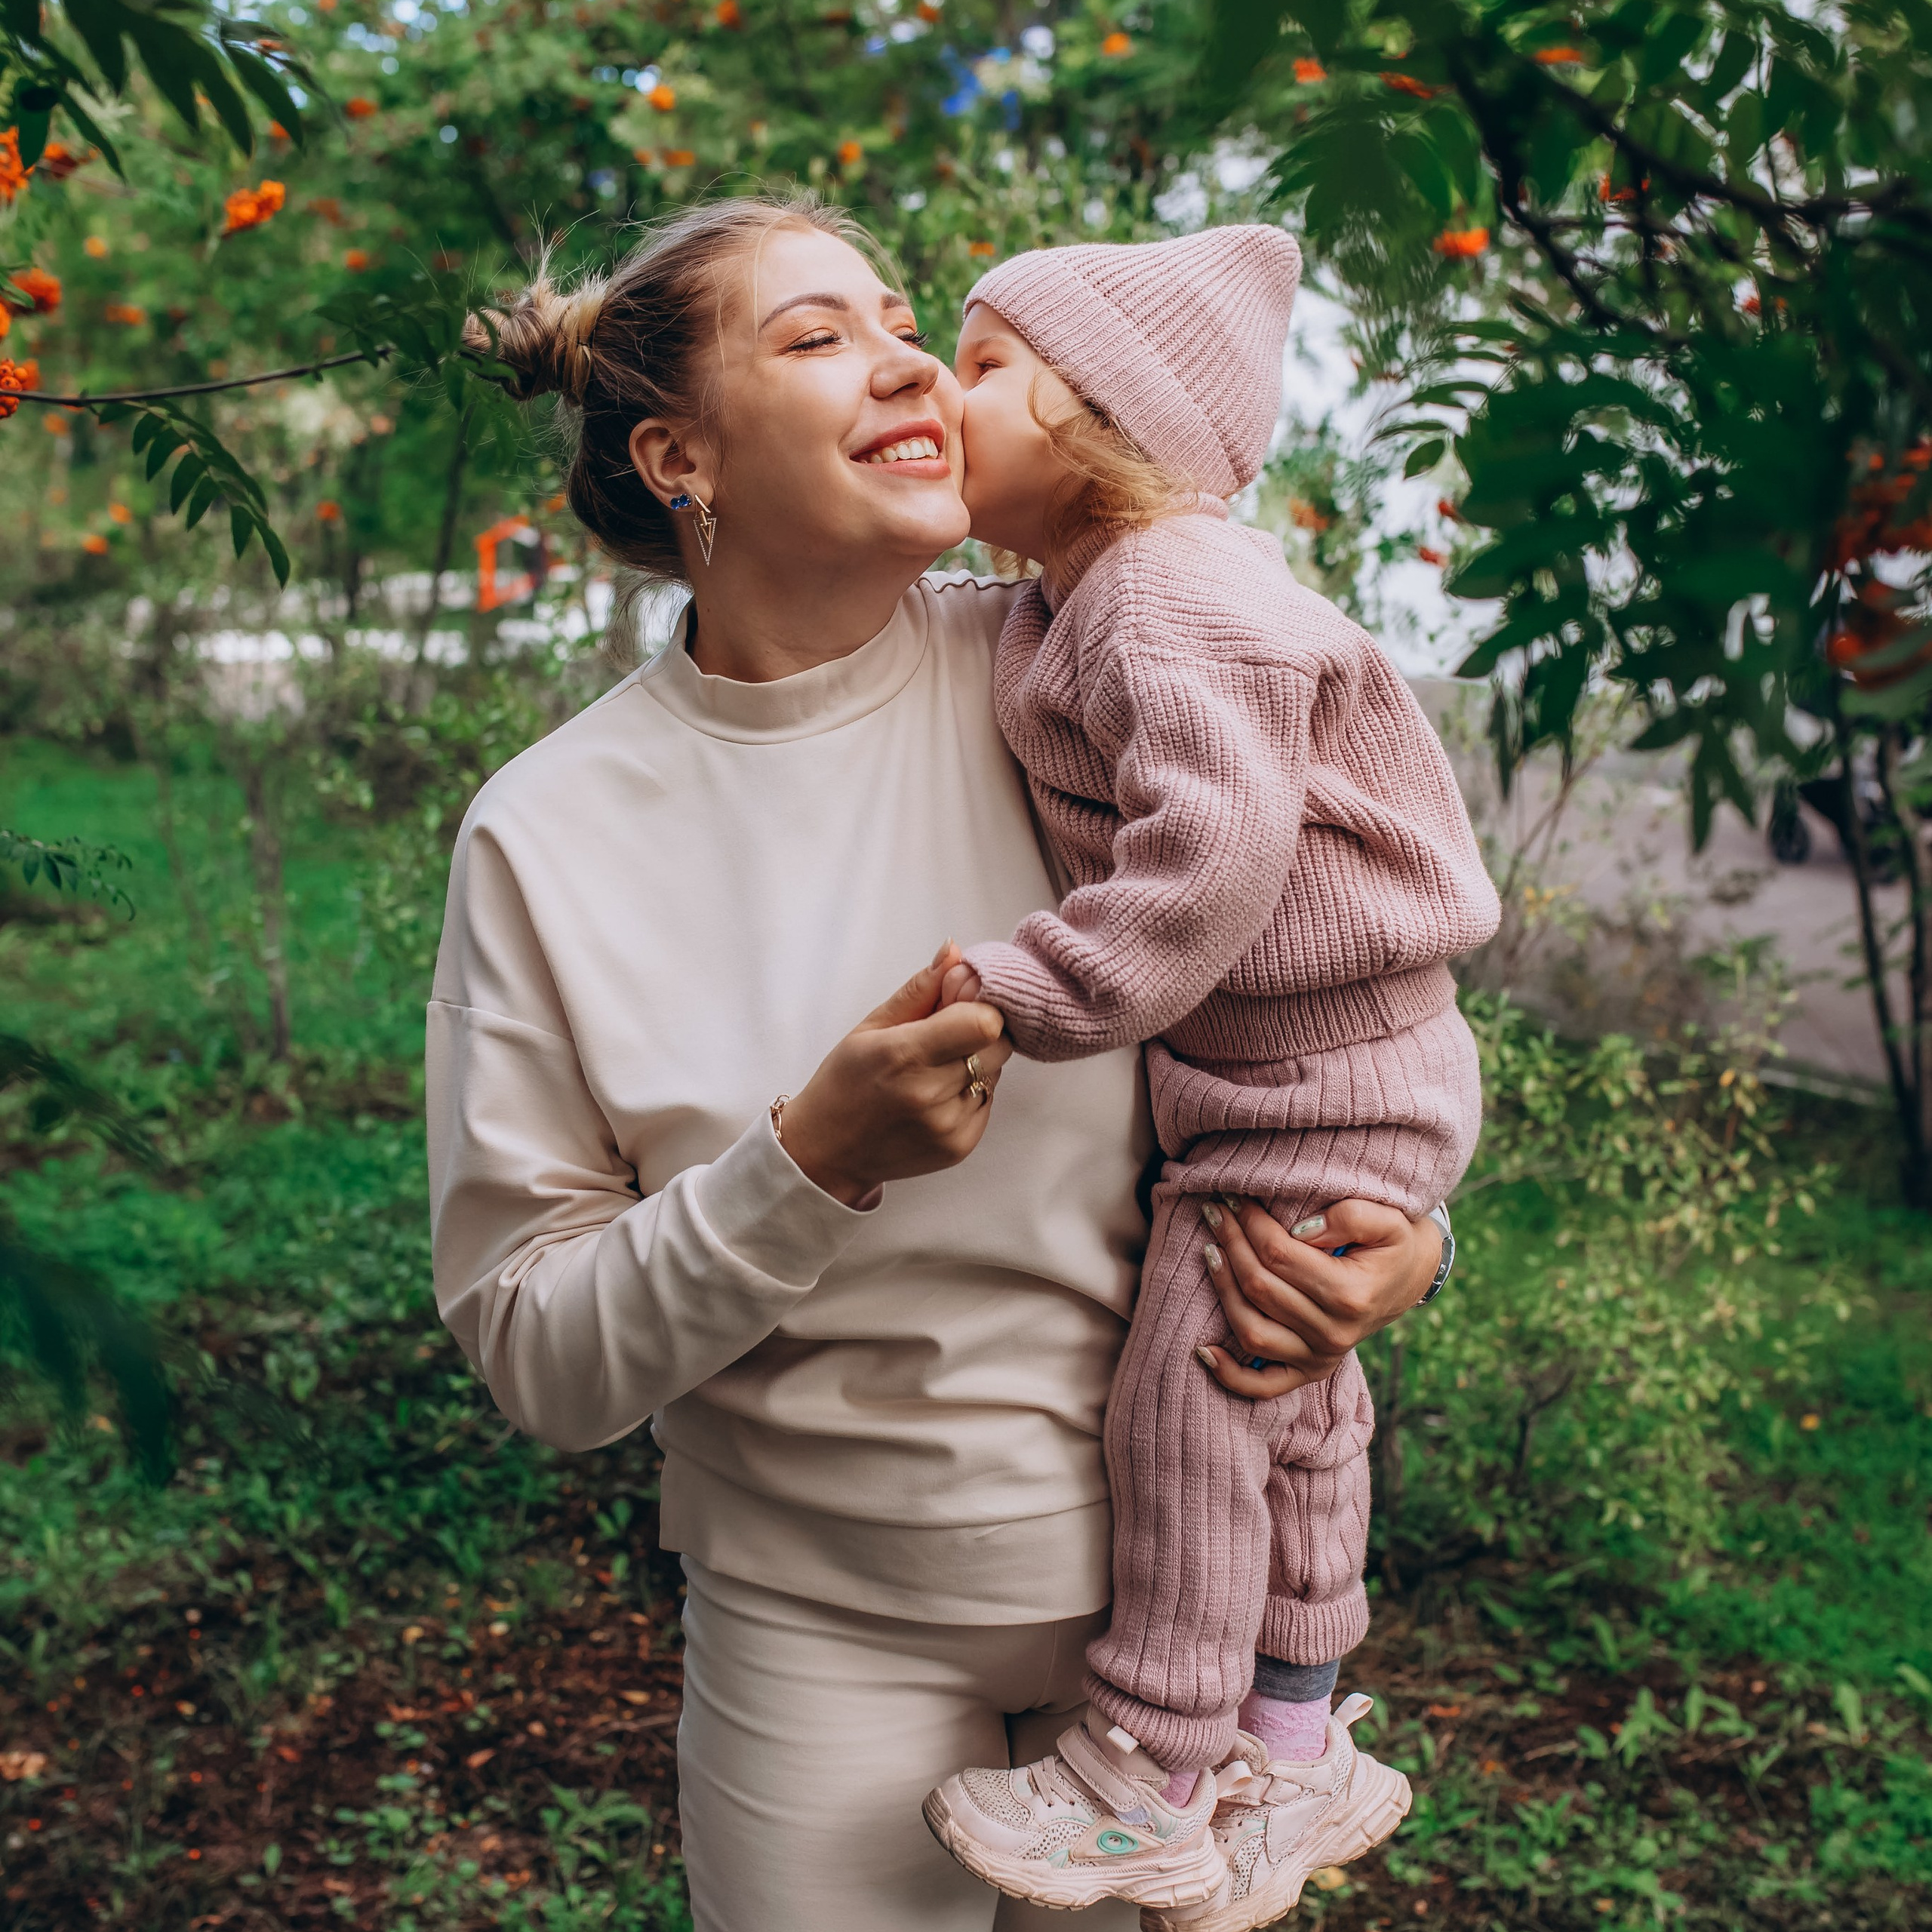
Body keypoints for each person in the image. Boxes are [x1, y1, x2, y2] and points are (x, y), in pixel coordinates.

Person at [428, 192, 1454, 1932]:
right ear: (681, 456)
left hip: (1174, 1634)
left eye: (905, 321)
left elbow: (1345, 979)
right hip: (815, 1627)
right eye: (817, 334)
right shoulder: (549, 836)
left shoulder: (1096, 662)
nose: (908, 358)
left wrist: (1393, 1227)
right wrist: (801, 1165)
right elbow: (538, 1353)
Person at [921, 229, 1500, 1930]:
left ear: (1092, 419)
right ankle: (1292, 1729)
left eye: (973, 366)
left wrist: (1025, 989)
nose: (940, 400)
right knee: (1291, 1399)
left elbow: (1210, 863)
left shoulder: (1172, 592)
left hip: (1311, 1066)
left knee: (1190, 1394)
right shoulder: (1072, 594)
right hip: (1331, 1063)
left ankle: (1149, 1768)